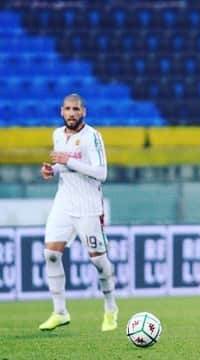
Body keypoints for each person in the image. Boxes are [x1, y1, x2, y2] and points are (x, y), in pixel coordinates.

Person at [39, 93, 118, 332]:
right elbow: (65, 166)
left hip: (88, 205)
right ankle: (60, 312)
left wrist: (67, 161)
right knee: (51, 255)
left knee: (98, 261)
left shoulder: (92, 137)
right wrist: (52, 169)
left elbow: (101, 173)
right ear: (61, 111)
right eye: (67, 109)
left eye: (76, 109)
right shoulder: (57, 135)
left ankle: (110, 309)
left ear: (84, 112)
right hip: (63, 202)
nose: (71, 113)